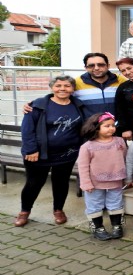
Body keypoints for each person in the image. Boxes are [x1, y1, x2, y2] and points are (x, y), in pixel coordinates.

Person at [14, 76, 87, 227]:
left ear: (73, 89)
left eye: (67, 86)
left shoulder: (78, 106)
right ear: (52, 87)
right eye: (58, 85)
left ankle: (58, 210)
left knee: (61, 183)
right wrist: (31, 149)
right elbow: (27, 130)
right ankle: (24, 211)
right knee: (34, 183)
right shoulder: (38, 105)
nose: (62, 89)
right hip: (39, 154)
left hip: (68, 153)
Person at [77, 112, 128, 240]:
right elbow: (82, 167)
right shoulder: (87, 146)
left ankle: (117, 225)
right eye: (107, 126)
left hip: (116, 180)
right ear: (96, 127)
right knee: (94, 204)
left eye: (113, 125)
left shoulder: (120, 141)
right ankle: (97, 227)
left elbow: (125, 158)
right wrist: (85, 183)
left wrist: (126, 177)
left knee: (116, 203)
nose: (111, 128)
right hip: (94, 183)